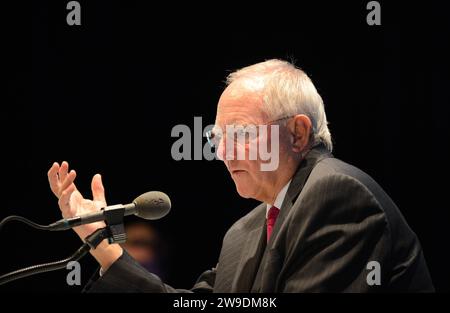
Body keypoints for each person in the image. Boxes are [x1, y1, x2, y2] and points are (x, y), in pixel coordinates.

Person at [47, 59, 434, 292]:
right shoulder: (245, 231)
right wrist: (98, 239)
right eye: (217, 137)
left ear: (298, 133)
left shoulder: (338, 196)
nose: (221, 151)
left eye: (241, 135)